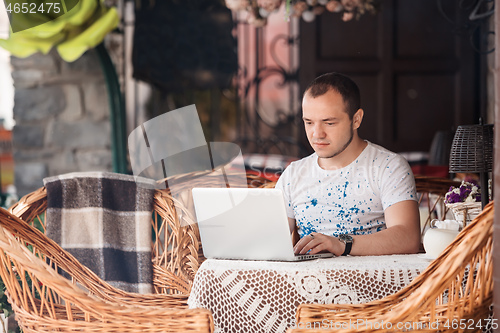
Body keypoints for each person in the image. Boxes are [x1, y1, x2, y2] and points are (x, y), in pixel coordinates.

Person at [275, 72, 420, 257]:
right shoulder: (293, 174)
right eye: (309, 122)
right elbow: (269, 241)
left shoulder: (389, 166)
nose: (317, 134)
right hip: (306, 282)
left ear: (356, 119)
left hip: (370, 282)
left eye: (329, 123)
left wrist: (342, 244)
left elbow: (408, 238)